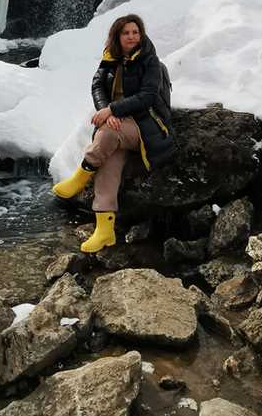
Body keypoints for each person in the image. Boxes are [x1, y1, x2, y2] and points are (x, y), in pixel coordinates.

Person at [52, 13, 174, 253]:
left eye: (135, 32)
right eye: (126, 33)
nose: (131, 37)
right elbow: (97, 85)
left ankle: (81, 175)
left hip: (145, 122)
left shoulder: (150, 61)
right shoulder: (110, 58)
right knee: (109, 164)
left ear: (141, 35)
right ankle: (105, 231)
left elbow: (147, 96)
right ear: (117, 36)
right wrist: (106, 111)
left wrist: (112, 110)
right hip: (116, 121)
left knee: (107, 134)